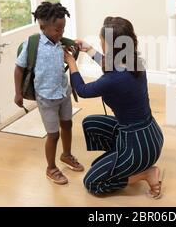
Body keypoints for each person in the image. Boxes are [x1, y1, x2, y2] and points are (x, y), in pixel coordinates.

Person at [63, 16, 165, 199]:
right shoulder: (133, 63)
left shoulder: (114, 79)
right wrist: (88, 49)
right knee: (91, 123)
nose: (101, 45)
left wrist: (71, 62)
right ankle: (123, 160)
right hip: (149, 134)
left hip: (140, 145)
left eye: (102, 42)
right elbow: (109, 65)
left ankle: (145, 173)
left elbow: (83, 90)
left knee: (92, 183)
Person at [14, 2, 84, 185]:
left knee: (67, 125)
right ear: (43, 26)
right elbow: (19, 69)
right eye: (57, 29)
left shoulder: (60, 42)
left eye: (63, 28)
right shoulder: (33, 44)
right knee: (53, 135)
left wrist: (72, 45)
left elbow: (67, 48)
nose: (60, 32)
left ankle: (66, 155)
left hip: (63, 93)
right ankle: (51, 168)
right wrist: (17, 93)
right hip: (46, 98)